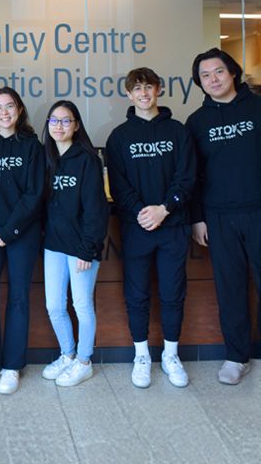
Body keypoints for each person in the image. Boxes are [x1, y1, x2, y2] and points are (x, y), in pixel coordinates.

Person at [105, 67, 196, 389]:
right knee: (137, 295)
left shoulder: (178, 131)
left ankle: (171, 355)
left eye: (148, 87)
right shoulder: (119, 137)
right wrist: (143, 212)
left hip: (173, 226)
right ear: (128, 95)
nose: (143, 93)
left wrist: (165, 208)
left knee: (173, 294)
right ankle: (141, 355)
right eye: (136, 89)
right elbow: (119, 184)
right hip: (136, 228)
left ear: (159, 89)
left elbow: (186, 178)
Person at [187, 47, 261, 385]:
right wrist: (197, 218)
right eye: (204, 76)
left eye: (218, 71)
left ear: (232, 72)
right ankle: (236, 357)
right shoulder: (197, 122)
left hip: (258, 209)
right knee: (229, 288)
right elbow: (193, 176)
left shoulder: (258, 108)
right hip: (218, 216)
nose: (212, 79)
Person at [0, 87, 44, 396]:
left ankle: (13, 366)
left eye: (9, 106)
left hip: (22, 233)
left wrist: (10, 231)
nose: (3, 112)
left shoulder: (32, 146)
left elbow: (34, 194)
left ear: (19, 110)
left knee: (18, 299)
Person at [41, 100, 109, 388]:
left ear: (77, 125)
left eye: (66, 121)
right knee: (54, 305)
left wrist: (87, 247)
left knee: (82, 305)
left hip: (81, 247)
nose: (59, 126)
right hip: (54, 245)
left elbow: (96, 208)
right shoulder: (46, 158)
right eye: (54, 121)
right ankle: (67, 354)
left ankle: (84, 361)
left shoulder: (88, 159)